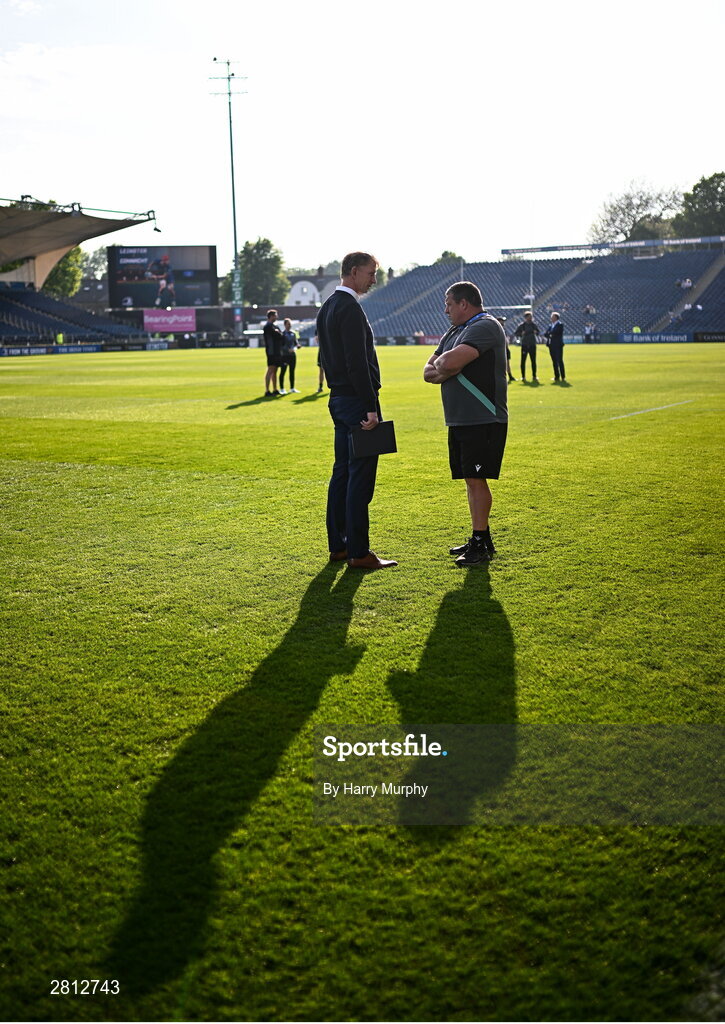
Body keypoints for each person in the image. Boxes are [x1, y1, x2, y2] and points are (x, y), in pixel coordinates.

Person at [316, 251, 397, 571]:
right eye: (370, 273)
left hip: (338, 399)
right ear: (352, 272)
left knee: (342, 474)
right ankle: (359, 552)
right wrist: (370, 407)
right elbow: (357, 363)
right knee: (359, 478)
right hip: (355, 402)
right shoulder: (348, 308)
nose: (374, 279)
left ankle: (339, 546)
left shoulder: (328, 307)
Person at [423, 281, 508, 568]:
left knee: (476, 479)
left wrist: (447, 366)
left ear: (464, 303)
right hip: (461, 418)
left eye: (448, 303)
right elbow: (428, 371)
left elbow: (446, 363)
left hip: (483, 417)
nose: (445, 309)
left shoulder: (484, 325)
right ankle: (479, 537)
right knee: (470, 480)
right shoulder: (455, 331)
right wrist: (447, 366)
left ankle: (481, 541)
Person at [513, 311, 540, 382]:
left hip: (532, 345)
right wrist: (521, 334)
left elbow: (538, 332)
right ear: (526, 318)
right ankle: (523, 376)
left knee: (533, 361)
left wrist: (536, 332)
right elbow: (516, 333)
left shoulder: (534, 325)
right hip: (524, 345)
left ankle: (534, 376)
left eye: (531, 317)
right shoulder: (522, 325)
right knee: (523, 361)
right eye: (529, 317)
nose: (530, 318)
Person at [263, 309, 284, 396]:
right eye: (275, 315)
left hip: (277, 351)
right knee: (270, 369)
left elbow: (281, 336)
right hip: (271, 352)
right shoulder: (267, 327)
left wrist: (278, 333)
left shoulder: (275, 327)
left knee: (275, 370)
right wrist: (278, 333)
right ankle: (267, 390)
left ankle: (275, 389)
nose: (277, 317)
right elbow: (278, 335)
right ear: (271, 316)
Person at [279, 318, 300, 394]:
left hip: (293, 355)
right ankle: (282, 388)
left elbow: (296, 343)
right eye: (288, 324)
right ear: (285, 325)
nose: (289, 325)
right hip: (285, 355)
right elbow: (281, 345)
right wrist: (287, 350)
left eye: (290, 324)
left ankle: (292, 388)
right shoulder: (282, 334)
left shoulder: (293, 333)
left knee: (292, 371)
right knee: (283, 371)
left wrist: (298, 345)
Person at [544, 311, 566, 382]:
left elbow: (556, 333)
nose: (551, 318)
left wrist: (550, 334)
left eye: (552, 317)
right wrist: (550, 334)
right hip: (551, 345)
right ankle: (556, 376)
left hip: (558, 345)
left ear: (556, 318)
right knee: (554, 361)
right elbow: (546, 334)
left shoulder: (560, 324)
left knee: (560, 361)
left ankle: (563, 376)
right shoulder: (551, 325)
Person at [496, 315, 516, 381]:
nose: (503, 323)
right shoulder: (496, 330)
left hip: (505, 348)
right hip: (500, 349)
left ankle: (510, 376)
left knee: (507, 363)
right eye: (502, 321)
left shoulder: (503, 329)